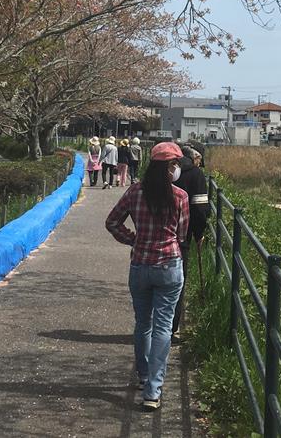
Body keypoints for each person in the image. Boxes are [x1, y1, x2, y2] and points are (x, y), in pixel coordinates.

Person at [105, 141, 188, 411]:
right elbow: (183, 234)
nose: (176, 169)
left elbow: (112, 222)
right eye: (175, 164)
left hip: (140, 265)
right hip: (169, 266)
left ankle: (142, 376)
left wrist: (133, 240)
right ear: (171, 167)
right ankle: (153, 390)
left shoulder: (134, 192)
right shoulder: (180, 196)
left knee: (143, 324)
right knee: (164, 327)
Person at [171, 142, 209, 339]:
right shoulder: (196, 174)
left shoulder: (166, 169)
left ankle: (153, 326)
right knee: (177, 283)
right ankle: (171, 328)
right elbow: (200, 209)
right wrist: (199, 233)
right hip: (182, 236)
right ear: (196, 158)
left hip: (155, 234)